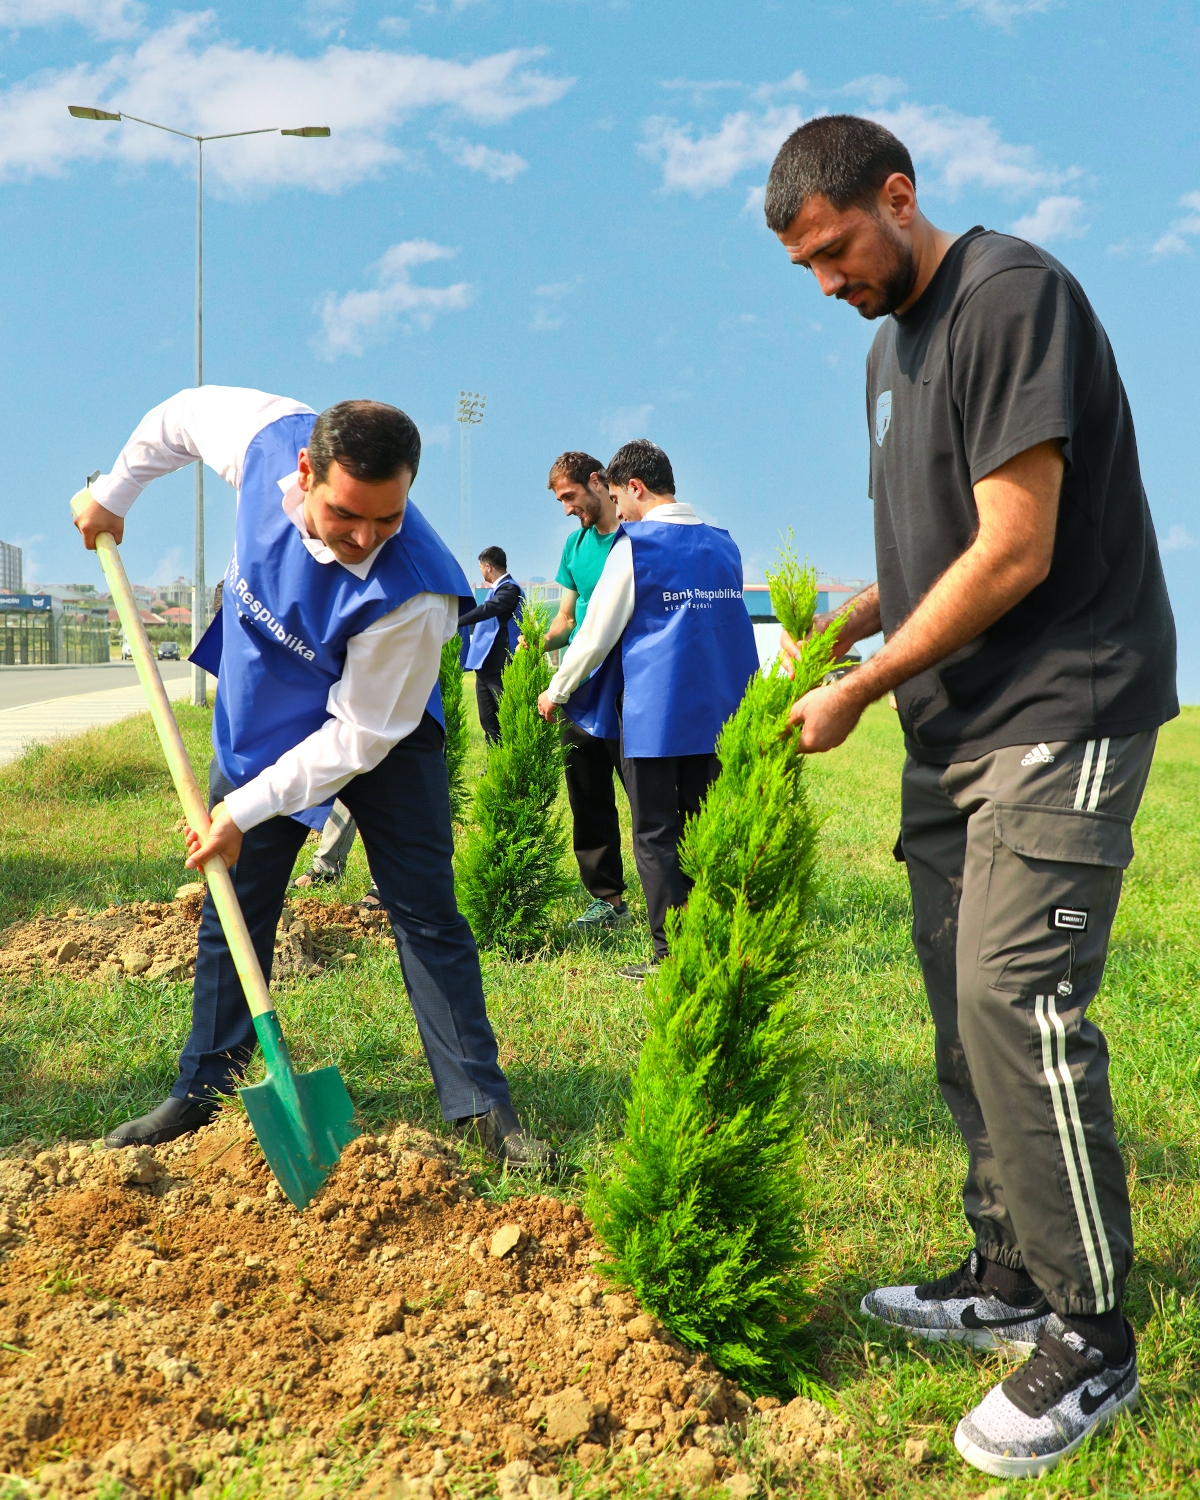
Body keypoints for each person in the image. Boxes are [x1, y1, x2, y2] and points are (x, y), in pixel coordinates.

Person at [765, 115, 1177, 1479]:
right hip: (960, 724)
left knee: (1018, 995)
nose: (829, 284)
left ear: (898, 196)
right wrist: (851, 618)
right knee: (958, 993)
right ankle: (1008, 1268)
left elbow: (1013, 550)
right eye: (808, 270)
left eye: (837, 252)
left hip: (1066, 700)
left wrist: (866, 685)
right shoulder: (893, 348)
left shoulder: (1010, 297)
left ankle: (1090, 1334)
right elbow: (940, 542)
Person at [73, 386, 551, 1167]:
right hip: (267, 722)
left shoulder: (417, 593)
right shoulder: (264, 439)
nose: (365, 538)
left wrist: (244, 809)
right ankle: (203, 1088)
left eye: (388, 518)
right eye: (346, 514)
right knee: (235, 899)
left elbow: (356, 738)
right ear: (306, 470)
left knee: (426, 913)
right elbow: (179, 417)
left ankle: (479, 1108)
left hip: (380, 740)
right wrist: (114, 495)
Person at [537, 440, 758, 978]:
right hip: (721, 714)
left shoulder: (635, 546)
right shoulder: (724, 544)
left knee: (656, 832)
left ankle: (670, 955)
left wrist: (557, 689)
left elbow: (594, 634)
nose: (619, 509)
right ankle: (715, 941)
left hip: (656, 715)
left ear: (633, 488)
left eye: (617, 496)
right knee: (703, 828)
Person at [542, 452, 630, 933]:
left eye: (569, 496)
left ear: (597, 482)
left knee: (648, 796)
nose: (567, 508)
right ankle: (608, 900)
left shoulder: (633, 538)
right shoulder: (575, 548)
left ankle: (679, 893)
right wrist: (540, 643)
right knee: (588, 797)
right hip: (579, 689)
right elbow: (567, 619)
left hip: (628, 688)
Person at [458, 546, 523, 744]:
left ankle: (508, 764)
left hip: (501, 664)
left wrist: (457, 621)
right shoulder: (495, 590)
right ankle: (492, 763)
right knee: (487, 720)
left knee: (505, 716)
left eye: (480, 568)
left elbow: (488, 610)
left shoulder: (510, 589)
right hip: (485, 665)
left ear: (488, 566)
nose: (481, 571)